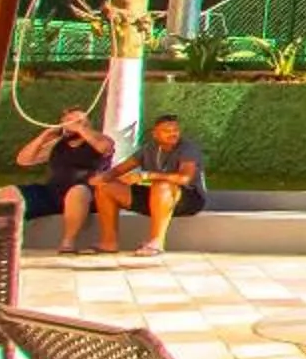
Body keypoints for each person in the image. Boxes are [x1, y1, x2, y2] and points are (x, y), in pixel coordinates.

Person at [91, 113, 209, 257]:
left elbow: (185, 178)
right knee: (105, 188)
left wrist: (148, 175)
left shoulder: (187, 148)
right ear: (155, 134)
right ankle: (109, 242)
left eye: (175, 130)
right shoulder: (149, 149)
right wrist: (103, 177)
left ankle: (156, 243)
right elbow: (121, 169)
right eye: (167, 131)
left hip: (188, 198)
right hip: (157, 196)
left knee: (161, 185)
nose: (173, 134)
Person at [13, 105, 114, 253]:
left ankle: (68, 242)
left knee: (77, 191)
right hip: (53, 192)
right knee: (11, 192)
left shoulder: (101, 140)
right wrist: (43, 137)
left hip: (85, 195)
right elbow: (23, 160)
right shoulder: (58, 144)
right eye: (68, 121)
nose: (72, 124)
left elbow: (103, 148)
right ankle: (7, 239)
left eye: (80, 121)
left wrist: (80, 128)